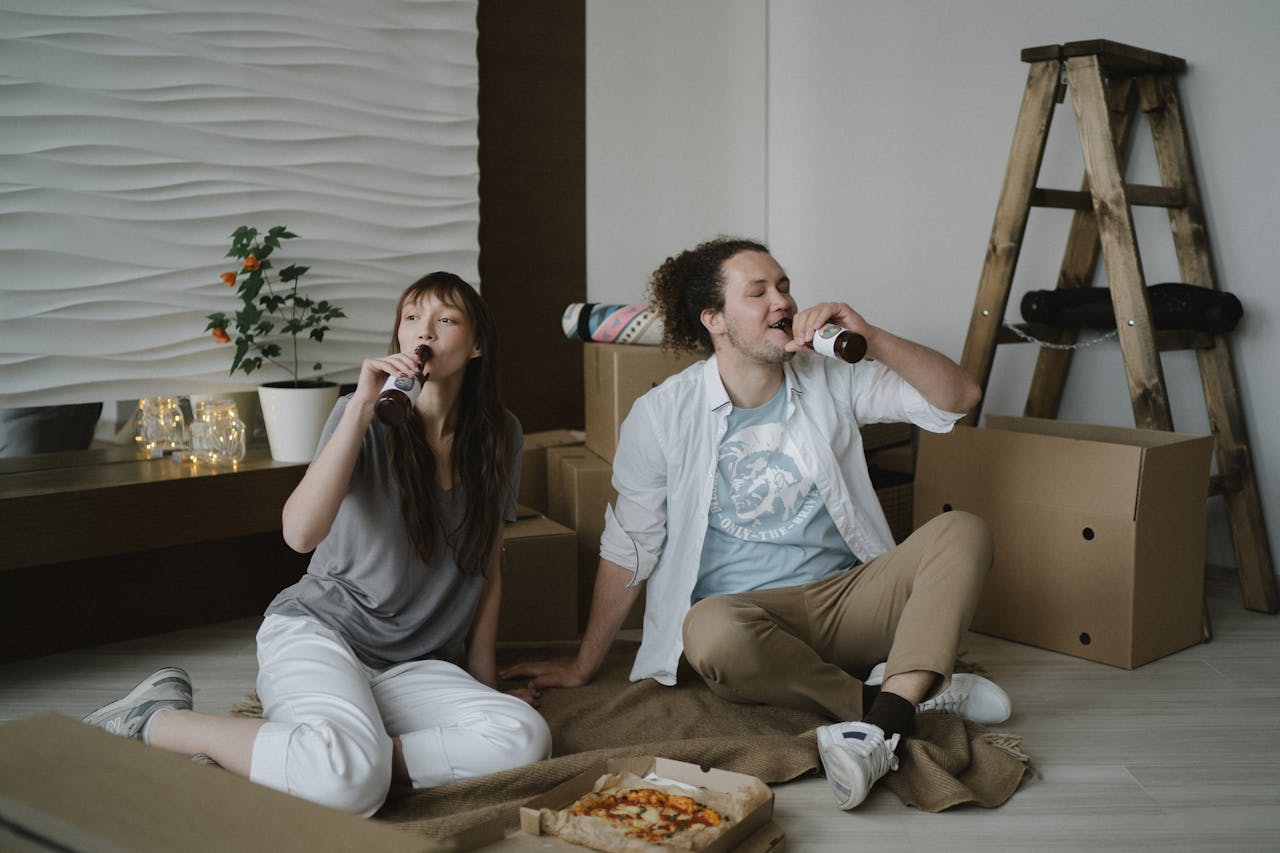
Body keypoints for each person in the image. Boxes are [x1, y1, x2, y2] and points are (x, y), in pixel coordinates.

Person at [504, 237, 1009, 810]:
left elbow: (960, 397)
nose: (782, 301)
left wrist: (873, 337)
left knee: (965, 530)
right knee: (709, 630)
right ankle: (895, 700)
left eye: (785, 286)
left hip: (849, 598)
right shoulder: (663, 414)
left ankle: (880, 723)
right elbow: (631, 546)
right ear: (714, 319)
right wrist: (583, 663)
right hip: (748, 622)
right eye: (759, 291)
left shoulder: (832, 377)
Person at [83, 272, 551, 816]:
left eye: (444, 320)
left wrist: (484, 684)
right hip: (322, 633)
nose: (423, 332)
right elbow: (299, 534)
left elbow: (486, 565)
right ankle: (159, 721)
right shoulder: (363, 418)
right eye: (411, 318)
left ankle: (336, 757)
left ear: (476, 345)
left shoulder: (502, 435)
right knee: (351, 788)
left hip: (414, 663)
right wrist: (359, 407)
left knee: (524, 736)